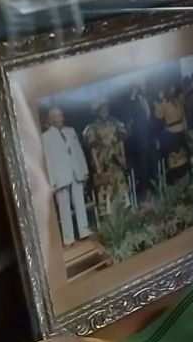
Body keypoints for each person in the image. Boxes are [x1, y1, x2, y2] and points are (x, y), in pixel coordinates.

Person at [41, 107, 90, 246]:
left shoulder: (70, 131)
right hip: (60, 176)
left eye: (61, 115)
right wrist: (51, 181)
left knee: (80, 203)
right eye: (58, 116)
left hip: (75, 172)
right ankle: (69, 238)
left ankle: (84, 231)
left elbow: (78, 151)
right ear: (51, 119)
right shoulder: (46, 137)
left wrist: (84, 170)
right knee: (64, 209)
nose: (61, 118)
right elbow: (47, 160)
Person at [83, 101, 130, 212]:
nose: (105, 111)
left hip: (116, 158)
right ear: (97, 112)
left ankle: (124, 210)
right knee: (106, 186)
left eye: (106, 108)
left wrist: (123, 157)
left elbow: (120, 141)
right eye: (102, 109)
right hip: (103, 160)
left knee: (120, 183)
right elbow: (93, 148)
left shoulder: (115, 123)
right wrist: (97, 166)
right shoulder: (92, 128)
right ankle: (110, 213)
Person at [124, 84, 158, 202]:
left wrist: (155, 137)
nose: (141, 88)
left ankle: (156, 191)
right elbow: (128, 117)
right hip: (140, 140)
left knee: (153, 166)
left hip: (151, 138)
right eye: (138, 86)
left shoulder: (147, 99)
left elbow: (152, 119)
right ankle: (146, 193)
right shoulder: (131, 102)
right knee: (144, 168)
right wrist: (132, 98)